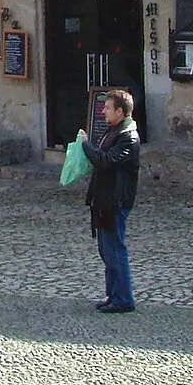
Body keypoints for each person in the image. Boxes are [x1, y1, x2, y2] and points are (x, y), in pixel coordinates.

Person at [78, 87, 141, 314]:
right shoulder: (113, 131)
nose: (103, 111)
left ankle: (124, 298)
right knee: (106, 250)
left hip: (115, 200)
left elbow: (106, 161)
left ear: (121, 111)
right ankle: (113, 294)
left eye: (108, 107)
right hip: (104, 199)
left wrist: (86, 145)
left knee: (115, 249)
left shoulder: (128, 137)